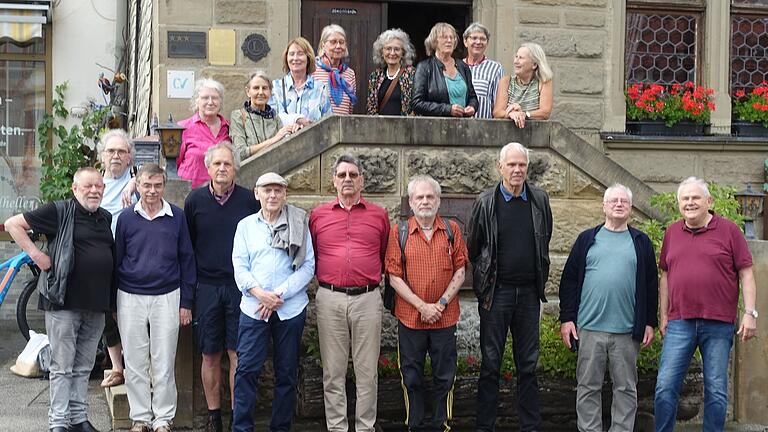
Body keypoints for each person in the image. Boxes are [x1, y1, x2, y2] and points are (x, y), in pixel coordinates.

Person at [5, 167, 114, 432]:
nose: (94, 191)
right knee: (63, 366)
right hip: (63, 302)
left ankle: (78, 419)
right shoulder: (59, 211)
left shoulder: (105, 217)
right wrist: (37, 256)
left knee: (84, 366)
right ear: (75, 189)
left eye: (98, 186)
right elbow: (12, 224)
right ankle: (58, 423)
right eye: (87, 186)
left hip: (95, 304)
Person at [654, 177, 757, 432]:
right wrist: (663, 315)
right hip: (679, 322)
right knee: (665, 386)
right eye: (685, 198)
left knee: (716, 390)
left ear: (708, 201)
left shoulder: (730, 230)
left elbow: (746, 273)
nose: (690, 202)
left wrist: (750, 313)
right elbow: (665, 275)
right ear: (679, 204)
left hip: (718, 322)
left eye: (695, 197)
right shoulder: (672, 232)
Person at [559, 184, 659, 432]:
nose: (618, 204)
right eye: (613, 200)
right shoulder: (587, 239)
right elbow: (569, 281)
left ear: (630, 208)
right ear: (603, 206)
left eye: (624, 201)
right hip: (589, 329)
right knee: (587, 386)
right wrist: (567, 319)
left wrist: (649, 322)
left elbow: (650, 284)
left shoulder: (640, 242)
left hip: (626, 332)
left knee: (625, 388)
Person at [467, 142, 552, 432]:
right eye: (512, 165)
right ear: (500, 167)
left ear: (527, 168)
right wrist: (484, 286)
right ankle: (484, 426)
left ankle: (529, 426)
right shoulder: (486, 202)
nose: (517, 170)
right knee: (491, 364)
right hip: (497, 294)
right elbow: (474, 248)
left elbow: (544, 239)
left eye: (522, 165)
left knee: (528, 366)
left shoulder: (539, 200)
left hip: (529, 295)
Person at [309, 154, 391, 432]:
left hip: (367, 299)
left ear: (361, 181)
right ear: (334, 181)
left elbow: (383, 254)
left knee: (367, 372)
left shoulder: (379, 215)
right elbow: (312, 255)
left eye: (353, 175)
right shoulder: (318, 215)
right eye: (342, 175)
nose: (347, 179)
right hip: (329, 297)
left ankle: (365, 427)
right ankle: (337, 428)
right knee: (333, 372)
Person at [184, 143, 261, 432]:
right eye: (217, 164)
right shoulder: (194, 202)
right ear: (208, 168)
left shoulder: (248, 201)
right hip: (206, 288)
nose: (222, 169)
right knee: (209, 354)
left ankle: (237, 417)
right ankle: (214, 417)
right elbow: (188, 249)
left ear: (235, 168)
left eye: (227, 164)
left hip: (241, 288)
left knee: (237, 354)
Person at [230, 172, 315, 432]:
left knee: (287, 373)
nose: (273, 195)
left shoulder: (299, 223)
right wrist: (260, 294)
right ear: (257, 194)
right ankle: (242, 427)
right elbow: (239, 266)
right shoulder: (245, 226)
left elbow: (308, 266)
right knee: (246, 371)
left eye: (278, 190)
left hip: (289, 309)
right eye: (267, 190)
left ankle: (280, 428)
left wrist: (277, 294)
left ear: (285, 194)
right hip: (254, 308)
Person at [115, 163, 196, 432]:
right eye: (146, 185)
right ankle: (140, 418)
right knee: (135, 362)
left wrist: (186, 302)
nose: (152, 191)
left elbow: (187, 259)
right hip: (130, 295)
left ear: (164, 185)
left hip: (167, 295)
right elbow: (118, 259)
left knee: (163, 360)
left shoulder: (177, 216)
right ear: (137, 185)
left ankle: (163, 419)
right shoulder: (126, 218)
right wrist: (114, 303)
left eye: (157, 185)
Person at [384, 175, 468, 432]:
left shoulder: (452, 230)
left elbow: (461, 270)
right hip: (411, 318)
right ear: (411, 202)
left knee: (445, 376)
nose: (425, 201)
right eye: (419, 197)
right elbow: (394, 276)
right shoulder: (399, 232)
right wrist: (422, 306)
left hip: (445, 317)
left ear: (439, 201)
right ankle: (416, 424)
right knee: (411, 376)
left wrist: (440, 304)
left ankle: (441, 424)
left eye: (430, 196)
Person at [96, 129, 137, 389]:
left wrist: (134, 182)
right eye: (111, 151)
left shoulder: (139, 182)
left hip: (130, 257)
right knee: (106, 315)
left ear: (130, 157)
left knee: (129, 314)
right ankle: (117, 368)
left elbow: (162, 177)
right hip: (101, 258)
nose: (116, 156)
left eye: (121, 151)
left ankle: (134, 367)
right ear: (102, 156)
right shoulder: (94, 183)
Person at [229, 71, 302, 161]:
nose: (260, 92)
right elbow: (240, 153)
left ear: (270, 92)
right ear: (248, 92)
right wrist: (274, 139)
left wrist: (293, 131)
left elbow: (284, 148)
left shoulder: (275, 118)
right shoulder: (238, 116)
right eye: (256, 88)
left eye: (264, 88)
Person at [412, 22, 478, 117]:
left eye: (452, 37)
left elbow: (472, 97)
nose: (449, 40)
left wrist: (472, 107)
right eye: (444, 37)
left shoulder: (463, 66)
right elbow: (416, 103)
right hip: (434, 127)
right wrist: (447, 109)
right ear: (434, 41)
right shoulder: (424, 67)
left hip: (463, 126)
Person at [178, 78, 230, 188]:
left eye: (215, 98)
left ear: (220, 102)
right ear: (197, 101)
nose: (210, 102)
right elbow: (174, 164)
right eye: (205, 98)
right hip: (189, 193)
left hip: (222, 194)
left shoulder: (229, 128)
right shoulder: (182, 128)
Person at [270, 37, 332, 127]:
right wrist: (297, 120)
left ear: (308, 58)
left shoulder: (320, 89)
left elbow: (328, 123)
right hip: (283, 141)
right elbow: (271, 119)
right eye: (291, 54)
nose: (295, 58)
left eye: (300, 54)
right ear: (286, 58)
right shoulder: (275, 87)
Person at [493, 42, 553, 128]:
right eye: (516, 57)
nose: (516, 61)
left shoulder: (544, 82)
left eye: (521, 58)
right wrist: (511, 114)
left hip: (535, 134)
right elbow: (497, 112)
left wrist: (524, 114)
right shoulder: (506, 81)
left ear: (534, 65)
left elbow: (545, 112)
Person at [366, 28, 417, 116]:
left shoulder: (413, 75)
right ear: (382, 52)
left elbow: (417, 107)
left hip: (405, 128)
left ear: (403, 53)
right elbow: (371, 108)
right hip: (380, 128)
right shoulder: (375, 76)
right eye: (388, 48)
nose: (392, 53)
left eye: (397, 49)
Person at [313, 24, 357, 115]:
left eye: (341, 42)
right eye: (333, 42)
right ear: (323, 45)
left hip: (343, 126)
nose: (338, 46)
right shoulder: (312, 69)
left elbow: (350, 108)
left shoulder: (350, 73)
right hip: (318, 127)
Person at [462, 22, 503, 119]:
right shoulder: (456, 66)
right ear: (465, 42)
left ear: (487, 43)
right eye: (474, 38)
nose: (478, 42)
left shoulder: (495, 68)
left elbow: (498, 103)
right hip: (458, 127)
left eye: (483, 39)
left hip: (483, 128)